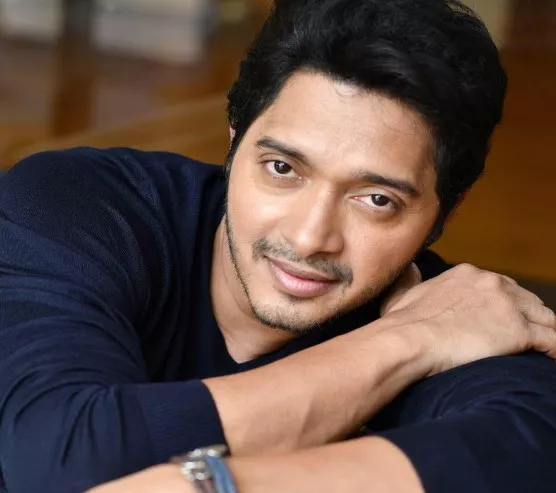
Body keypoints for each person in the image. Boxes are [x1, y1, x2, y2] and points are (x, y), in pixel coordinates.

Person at [1, 0, 556, 492]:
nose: (310, 237)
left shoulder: (468, 320)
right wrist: (407, 342)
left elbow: (528, 451)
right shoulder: (77, 205)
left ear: (444, 213)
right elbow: (56, 462)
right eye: (282, 168)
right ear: (234, 142)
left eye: (377, 200)